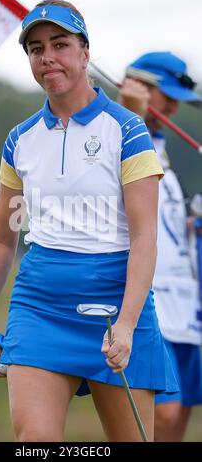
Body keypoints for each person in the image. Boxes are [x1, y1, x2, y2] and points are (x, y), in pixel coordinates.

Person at [0, 0, 178, 442]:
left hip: (116, 305)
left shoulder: (127, 131)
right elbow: (4, 238)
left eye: (60, 44)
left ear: (85, 52)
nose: (47, 57)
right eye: (36, 48)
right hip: (41, 305)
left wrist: (125, 323)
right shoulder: (20, 140)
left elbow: (145, 239)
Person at [119, 51, 202, 442]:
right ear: (137, 86)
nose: (171, 106)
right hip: (152, 302)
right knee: (163, 413)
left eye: (175, 99)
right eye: (164, 95)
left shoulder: (161, 147)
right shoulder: (118, 134)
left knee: (179, 416)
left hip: (186, 307)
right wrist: (129, 113)